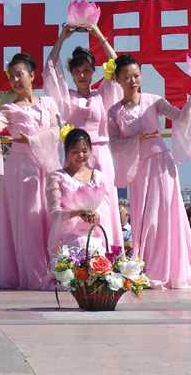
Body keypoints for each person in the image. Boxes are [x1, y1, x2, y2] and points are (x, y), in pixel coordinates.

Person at [107, 54, 191, 289]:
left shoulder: (154, 101)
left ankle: (171, 268)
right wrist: (137, 138)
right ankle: (146, 266)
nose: (133, 81)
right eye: (127, 77)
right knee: (145, 219)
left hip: (161, 164)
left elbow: (180, 117)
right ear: (117, 80)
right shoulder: (113, 112)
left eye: (136, 76)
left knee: (164, 216)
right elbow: (113, 144)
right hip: (137, 169)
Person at [0, 53, 61, 289]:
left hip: (47, 165)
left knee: (49, 216)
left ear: (32, 75)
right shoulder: (8, 109)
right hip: (21, 168)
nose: (16, 80)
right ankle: (33, 272)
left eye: (20, 74)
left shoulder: (49, 104)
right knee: (28, 219)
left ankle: (55, 269)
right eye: (12, 77)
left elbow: (59, 130)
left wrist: (36, 140)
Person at [44, 24, 123, 247]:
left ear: (94, 72)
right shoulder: (66, 97)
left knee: (105, 205)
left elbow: (117, 64)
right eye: (77, 71)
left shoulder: (102, 95)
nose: (82, 75)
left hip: (101, 155)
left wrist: (97, 32)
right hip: (75, 156)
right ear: (71, 73)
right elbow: (51, 68)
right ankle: (75, 252)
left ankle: (109, 251)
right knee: (73, 203)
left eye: (87, 70)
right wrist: (62, 37)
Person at [46, 128, 115, 259]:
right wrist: (78, 213)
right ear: (66, 152)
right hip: (66, 242)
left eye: (84, 151)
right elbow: (54, 214)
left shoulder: (98, 176)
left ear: (90, 150)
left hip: (95, 239)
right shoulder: (56, 178)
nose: (81, 155)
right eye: (75, 152)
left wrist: (95, 216)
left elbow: (106, 213)